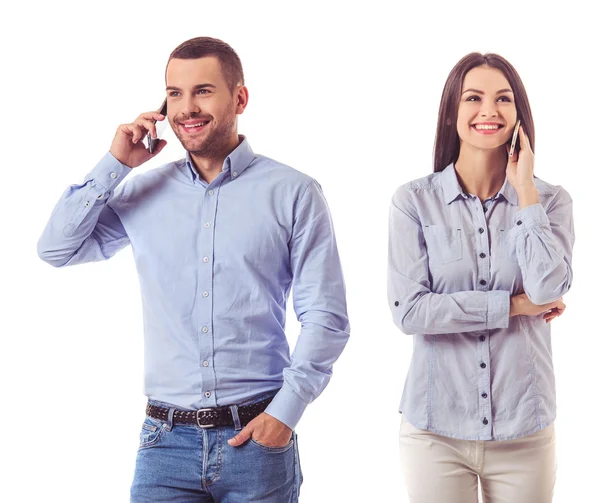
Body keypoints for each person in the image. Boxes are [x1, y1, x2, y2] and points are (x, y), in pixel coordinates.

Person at [37, 36, 350, 502]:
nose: (187, 108)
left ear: (239, 97)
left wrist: (285, 413)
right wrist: (115, 164)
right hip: (164, 445)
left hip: (257, 440)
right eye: (175, 94)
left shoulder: (294, 192)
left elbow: (326, 317)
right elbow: (56, 248)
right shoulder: (143, 192)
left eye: (203, 91)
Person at [387, 52, 574, 503]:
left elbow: (549, 288)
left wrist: (524, 189)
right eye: (474, 97)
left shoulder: (550, 201)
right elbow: (410, 311)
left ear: (518, 116)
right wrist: (511, 306)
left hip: (523, 429)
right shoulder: (413, 202)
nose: (489, 111)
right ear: (453, 111)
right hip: (436, 429)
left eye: (503, 99)